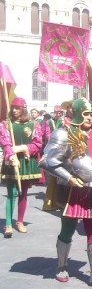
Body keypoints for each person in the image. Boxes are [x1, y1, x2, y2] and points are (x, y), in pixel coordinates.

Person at [39, 98, 92, 289]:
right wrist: (68, 178)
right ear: (76, 114)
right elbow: (47, 160)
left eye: (91, 114)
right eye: (86, 114)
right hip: (71, 191)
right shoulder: (63, 133)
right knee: (67, 229)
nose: (89, 118)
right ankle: (62, 266)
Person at [0, 97, 43, 237]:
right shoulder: (6, 124)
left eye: (17, 108)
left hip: (26, 162)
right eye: (13, 108)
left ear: (23, 109)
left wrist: (22, 148)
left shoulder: (34, 125)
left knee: (22, 193)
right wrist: (11, 155)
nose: (14, 110)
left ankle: (19, 221)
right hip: (11, 162)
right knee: (11, 193)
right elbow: (5, 143)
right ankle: (8, 223)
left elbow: (37, 143)